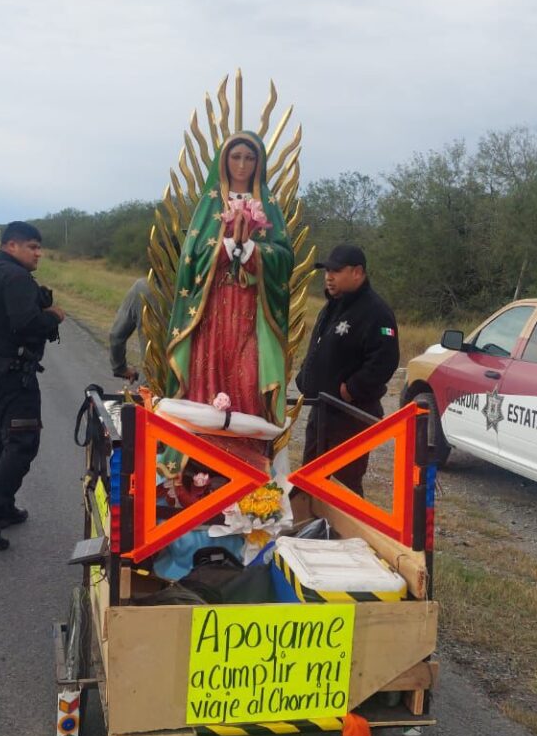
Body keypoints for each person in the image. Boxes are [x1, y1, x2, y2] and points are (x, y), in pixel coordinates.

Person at [165, 132, 293, 423]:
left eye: (250, 158)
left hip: (252, 311)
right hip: (211, 310)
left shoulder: (268, 204)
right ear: (224, 161)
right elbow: (191, 256)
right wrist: (226, 246)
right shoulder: (210, 204)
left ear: (259, 163)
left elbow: (284, 258)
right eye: (236, 157)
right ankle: (202, 444)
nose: (242, 165)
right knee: (208, 369)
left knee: (248, 374)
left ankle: (248, 444)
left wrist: (251, 250)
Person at [0, 221, 65, 550]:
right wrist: (54, 316)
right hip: (11, 374)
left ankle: (3, 507)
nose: (39, 254)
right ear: (11, 246)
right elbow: (28, 324)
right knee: (23, 442)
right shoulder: (15, 277)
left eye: (39, 247)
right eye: (32, 247)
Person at [295, 244, 399, 494]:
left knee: (345, 488)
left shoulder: (376, 312)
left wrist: (351, 390)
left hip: (350, 415)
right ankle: (310, 520)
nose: (328, 277)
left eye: (336, 271)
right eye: (326, 271)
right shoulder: (332, 306)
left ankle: (347, 522)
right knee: (308, 483)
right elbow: (320, 347)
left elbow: (384, 361)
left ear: (357, 272)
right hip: (321, 410)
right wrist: (305, 377)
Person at [110, 276, 154, 381]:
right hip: (192, 384)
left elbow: (116, 335)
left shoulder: (142, 288)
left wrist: (120, 368)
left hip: (154, 382)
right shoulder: (193, 293)